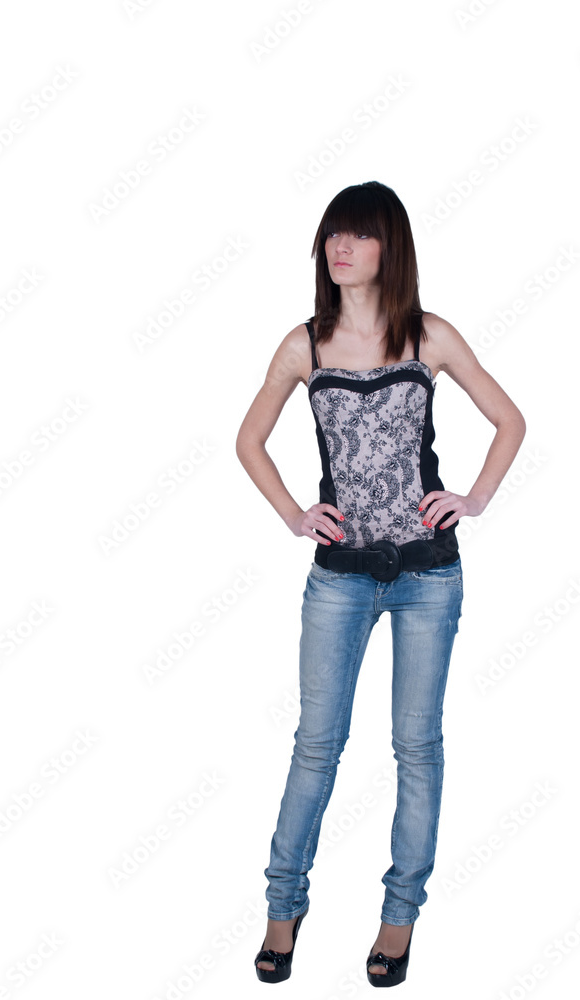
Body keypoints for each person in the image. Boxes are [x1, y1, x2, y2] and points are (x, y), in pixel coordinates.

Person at [235, 181, 526, 986]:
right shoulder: (305, 345)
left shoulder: (429, 335)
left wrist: (473, 498)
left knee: (416, 747)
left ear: (389, 247)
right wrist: (295, 514)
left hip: (429, 574)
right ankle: (283, 910)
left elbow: (511, 420)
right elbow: (249, 440)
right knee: (316, 746)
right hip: (339, 577)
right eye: (333, 234)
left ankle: (399, 920)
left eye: (358, 235)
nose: (341, 247)